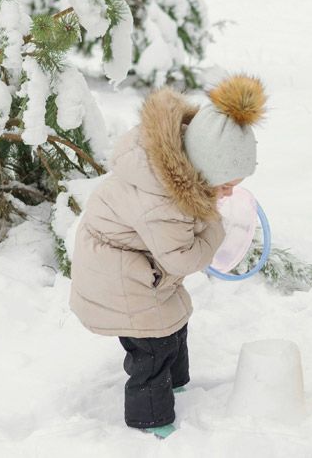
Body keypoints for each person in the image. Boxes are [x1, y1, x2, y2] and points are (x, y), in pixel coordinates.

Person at [69, 75, 266, 436]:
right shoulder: (163, 200)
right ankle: (151, 419)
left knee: (174, 322)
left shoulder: (181, 175)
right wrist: (216, 228)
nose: (226, 194)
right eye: (224, 186)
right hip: (117, 275)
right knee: (152, 347)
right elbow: (182, 258)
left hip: (140, 264)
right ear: (202, 168)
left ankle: (176, 384)